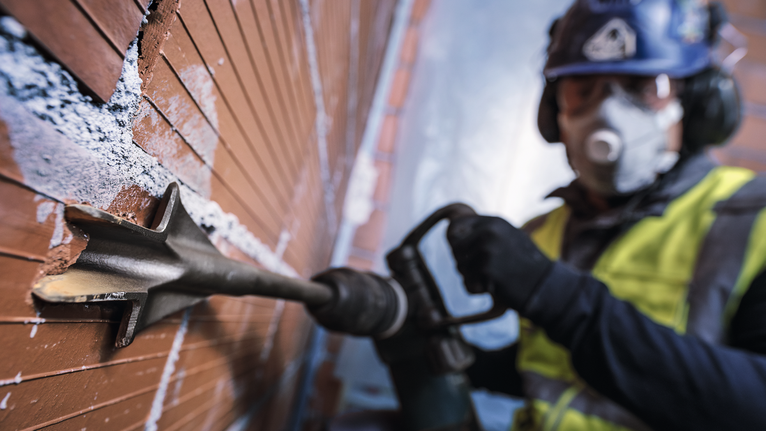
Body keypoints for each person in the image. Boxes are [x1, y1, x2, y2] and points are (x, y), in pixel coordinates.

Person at [449, 0, 766, 430]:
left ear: (697, 104)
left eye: (641, 88)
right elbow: (566, 380)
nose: (606, 115)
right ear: (553, 111)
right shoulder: (545, 232)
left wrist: (556, 296)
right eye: (583, 89)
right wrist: (470, 363)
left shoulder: (753, 221)